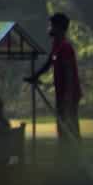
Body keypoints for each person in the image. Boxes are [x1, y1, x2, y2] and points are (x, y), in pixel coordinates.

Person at [26, 12, 83, 149]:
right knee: (61, 125)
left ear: (58, 28)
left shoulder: (65, 47)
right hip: (61, 93)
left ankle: (77, 156)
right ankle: (65, 153)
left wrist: (68, 97)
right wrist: (35, 76)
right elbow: (48, 63)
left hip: (68, 94)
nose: (49, 28)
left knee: (69, 125)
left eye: (51, 25)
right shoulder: (56, 45)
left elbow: (69, 72)